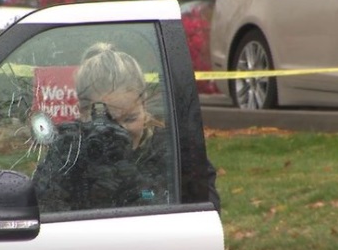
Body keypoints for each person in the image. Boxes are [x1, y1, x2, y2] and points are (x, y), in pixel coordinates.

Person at [33, 42, 220, 213]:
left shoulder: (173, 152)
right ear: (82, 113)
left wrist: (132, 179)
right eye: (107, 121)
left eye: (130, 118)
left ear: (144, 105)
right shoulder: (70, 151)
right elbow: (44, 210)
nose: (120, 130)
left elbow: (205, 215)